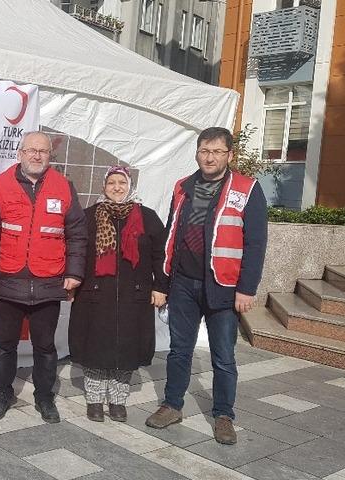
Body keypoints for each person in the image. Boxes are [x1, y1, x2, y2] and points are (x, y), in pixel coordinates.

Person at [145, 127, 267, 445]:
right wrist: (163, 283)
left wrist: (247, 288)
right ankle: (172, 405)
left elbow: (255, 243)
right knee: (179, 351)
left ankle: (223, 415)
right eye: (204, 150)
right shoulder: (183, 186)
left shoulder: (247, 188)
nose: (209, 157)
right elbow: (172, 234)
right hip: (184, 283)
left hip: (223, 286)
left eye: (216, 151)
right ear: (197, 152)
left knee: (223, 356)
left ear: (229, 155)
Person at [0, 131, 88, 424]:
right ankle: (2, 394)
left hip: (48, 280)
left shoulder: (63, 186)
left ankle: (44, 397)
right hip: (8, 279)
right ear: (19, 154)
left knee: (45, 346)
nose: (36, 155)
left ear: (49, 156)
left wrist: (74, 272)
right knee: (5, 345)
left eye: (42, 151)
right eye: (31, 150)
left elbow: (77, 234)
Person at [69, 165, 168, 423]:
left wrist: (161, 287)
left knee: (126, 349)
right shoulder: (88, 216)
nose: (116, 187)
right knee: (95, 346)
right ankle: (94, 400)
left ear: (129, 186)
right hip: (94, 294)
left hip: (133, 296)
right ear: (104, 186)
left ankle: (117, 401)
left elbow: (162, 256)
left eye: (121, 182)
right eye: (111, 182)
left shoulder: (147, 217)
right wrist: (71, 283)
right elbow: (75, 251)